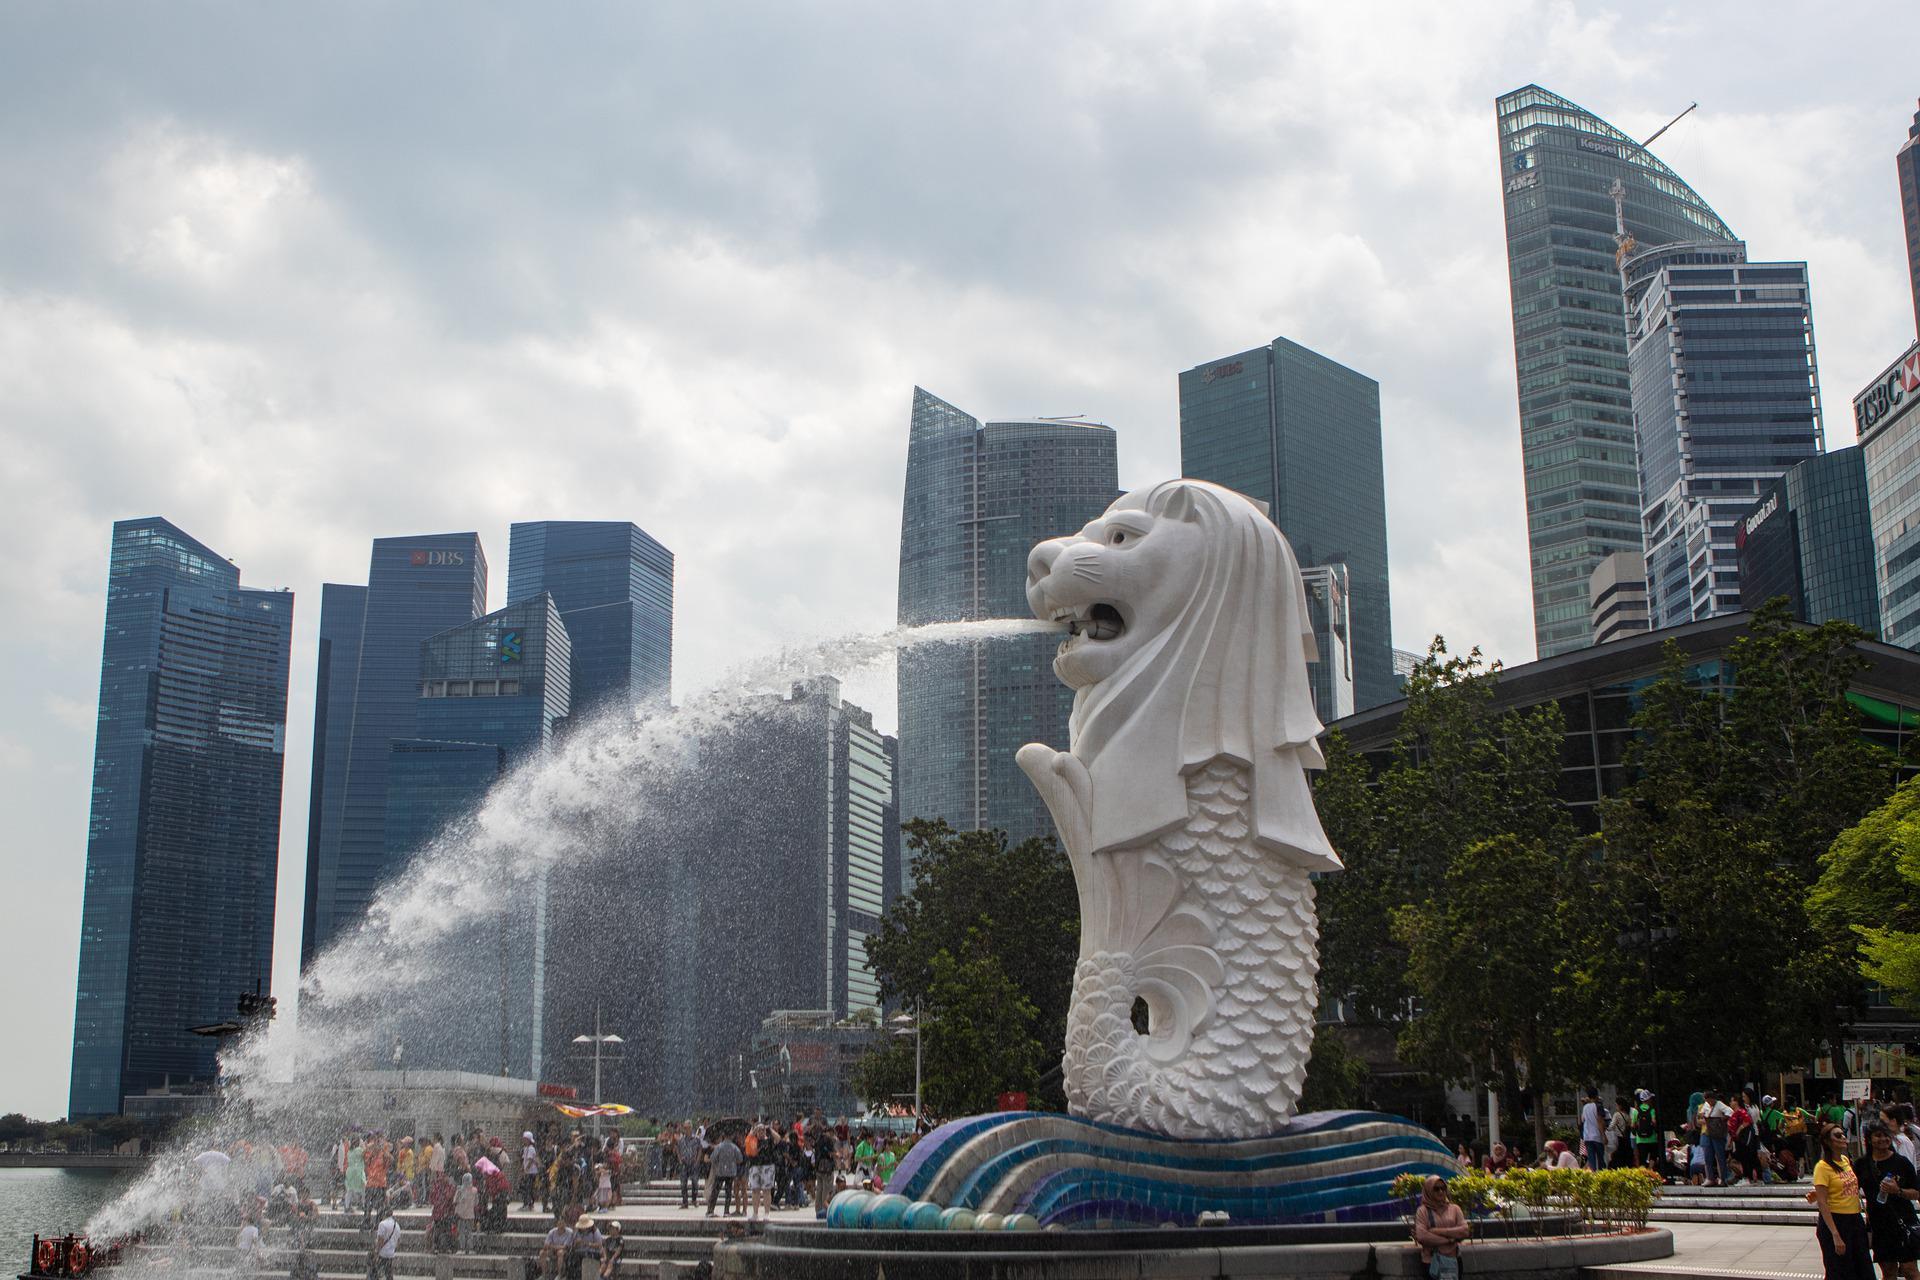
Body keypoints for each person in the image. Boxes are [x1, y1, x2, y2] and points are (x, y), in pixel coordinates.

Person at [1859, 1120, 1920, 1280]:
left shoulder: (1901, 1162)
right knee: (1888, 1270)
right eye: (1878, 1135)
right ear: (1869, 1139)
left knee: (1909, 1269)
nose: (1883, 1139)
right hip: (1879, 1224)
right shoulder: (1862, 1164)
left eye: (1886, 1135)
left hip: (1903, 1220)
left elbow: (1916, 1192)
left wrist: (1898, 1191)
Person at [1814, 1122, 1875, 1280]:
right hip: (1836, 1220)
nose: (1843, 1138)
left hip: (1854, 1219)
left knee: (1863, 1268)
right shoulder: (1822, 1167)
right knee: (1840, 1270)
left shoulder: (1845, 1160)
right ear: (1827, 1142)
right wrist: (1835, 1233)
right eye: (1837, 1136)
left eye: (1843, 1134)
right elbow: (1822, 1202)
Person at [1412, 1174, 1470, 1280]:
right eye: (1436, 1189)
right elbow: (1422, 1236)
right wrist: (1450, 1240)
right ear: (1429, 1191)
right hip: (1432, 1262)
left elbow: (1464, 1231)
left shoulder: (1455, 1209)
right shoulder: (1422, 1211)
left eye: (1443, 1188)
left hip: (1454, 1261)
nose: (1440, 1192)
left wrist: (1436, 1231)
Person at [707, 1131, 743, 1217]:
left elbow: (712, 1158)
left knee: (715, 1192)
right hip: (731, 1173)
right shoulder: (735, 1147)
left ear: (723, 1136)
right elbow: (740, 1159)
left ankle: (710, 1210)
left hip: (720, 1172)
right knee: (728, 1192)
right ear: (732, 1136)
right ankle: (726, 1211)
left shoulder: (719, 1147)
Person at [539, 1210, 576, 1280]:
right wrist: (552, 1247)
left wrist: (552, 1246)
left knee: (560, 1252)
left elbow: (565, 1247)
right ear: (557, 1224)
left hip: (565, 1252)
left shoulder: (569, 1232)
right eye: (559, 1223)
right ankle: (544, 1274)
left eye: (563, 1223)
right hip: (553, 1250)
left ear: (565, 1224)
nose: (561, 1225)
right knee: (542, 1253)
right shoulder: (552, 1232)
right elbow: (546, 1245)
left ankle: (559, 1274)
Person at [368, 1206, 401, 1280]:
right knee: (388, 1273)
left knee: (374, 1271)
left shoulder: (382, 1224)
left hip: (382, 1253)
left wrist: (376, 1252)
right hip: (391, 1254)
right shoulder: (397, 1225)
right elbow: (398, 1242)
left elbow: (380, 1241)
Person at [676, 1125, 704, 1210]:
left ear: (691, 1128)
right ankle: (685, 1202)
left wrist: (697, 1160)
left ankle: (694, 1199)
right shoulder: (681, 1139)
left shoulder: (696, 1139)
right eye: (684, 1127)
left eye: (687, 1127)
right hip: (684, 1163)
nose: (686, 1129)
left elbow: (700, 1149)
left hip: (693, 1163)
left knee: (695, 1182)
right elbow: (677, 1148)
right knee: (683, 1183)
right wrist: (680, 1159)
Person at [1579, 1088, 1607, 1172]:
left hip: (1587, 1137)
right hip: (1597, 1136)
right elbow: (1600, 1121)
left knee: (1591, 1160)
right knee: (1601, 1159)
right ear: (1597, 1095)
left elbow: (1582, 1120)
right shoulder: (1598, 1106)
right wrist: (1604, 1136)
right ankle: (1602, 1176)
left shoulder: (1585, 1107)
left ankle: (1593, 1175)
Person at [1633, 1090, 1662, 1168]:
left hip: (1640, 1139)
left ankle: (1643, 1176)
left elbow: (1633, 1125)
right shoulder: (1652, 1110)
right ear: (1648, 1099)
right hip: (1652, 1138)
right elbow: (1654, 1122)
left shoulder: (1636, 1111)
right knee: (1653, 1156)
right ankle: (1650, 1170)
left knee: (1642, 1159)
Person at [454, 1172, 478, 1252]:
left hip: (461, 1214)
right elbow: (476, 1203)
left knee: (461, 1232)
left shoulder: (460, 1190)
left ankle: (462, 1247)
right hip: (470, 1214)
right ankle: (470, 1247)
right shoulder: (474, 1190)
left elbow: (455, 1201)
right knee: (469, 1232)